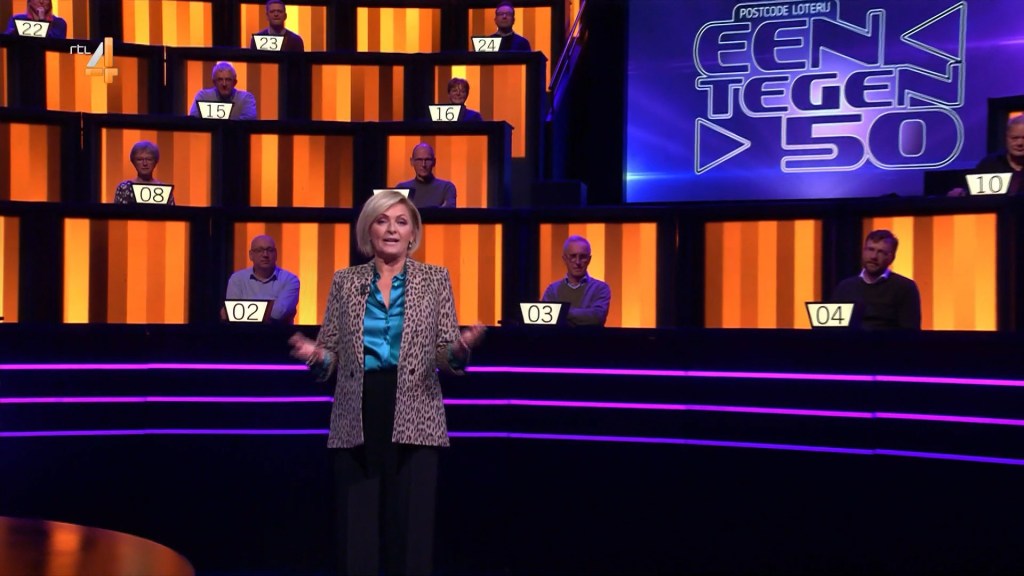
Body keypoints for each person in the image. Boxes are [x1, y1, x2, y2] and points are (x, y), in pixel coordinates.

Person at [287, 190, 485, 576]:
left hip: (417, 411)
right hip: (357, 413)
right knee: (357, 530)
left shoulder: (435, 279)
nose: (391, 229)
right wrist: (314, 354)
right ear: (369, 230)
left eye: (401, 222)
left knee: (411, 530)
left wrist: (460, 349)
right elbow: (331, 357)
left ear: (413, 233)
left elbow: (445, 355)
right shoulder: (345, 282)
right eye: (382, 221)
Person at [831, 229, 921, 330]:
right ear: (863, 251)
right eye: (870, 249)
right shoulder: (845, 287)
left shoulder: (905, 287)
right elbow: (833, 329)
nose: (873, 257)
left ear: (891, 257)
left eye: (881, 252)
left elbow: (910, 333)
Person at [224, 235, 300, 324]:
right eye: (259, 250)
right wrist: (271, 305)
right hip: (244, 332)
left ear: (276, 254)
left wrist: (243, 308)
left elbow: (278, 314)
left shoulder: (290, 280)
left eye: (270, 250)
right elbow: (232, 314)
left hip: (278, 332)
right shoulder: (237, 279)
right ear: (251, 255)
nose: (265, 255)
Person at [541, 235, 611, 327]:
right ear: (564, 259)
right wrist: (581, 317)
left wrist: (561, 312)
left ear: (589, 260)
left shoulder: (600, 288)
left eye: (582, 257)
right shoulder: (552, 290)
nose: (578, 262)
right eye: (573, 256)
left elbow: (597, 317)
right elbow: (544, 319)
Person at [949, 115, 1024, 196]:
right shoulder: (989, 165)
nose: (1019, 143)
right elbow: (974, 195)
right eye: (1014, 138)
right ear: (1006, 138)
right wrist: (962, 193)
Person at [395, 143, 457, 208]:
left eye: (427, 160)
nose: (423, 165)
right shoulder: (402, 188)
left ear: (434, 162)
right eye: (419, 160)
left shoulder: (446, 188)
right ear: (412, 162)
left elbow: (448, 213)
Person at [188, 62, 257, 120]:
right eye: (220, 80)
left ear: (234, 82)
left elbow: (249, 122)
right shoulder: (203, 96)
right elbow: (194, 120)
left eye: (228, 80)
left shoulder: (246, 98)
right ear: (214, 82)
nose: (224, 84)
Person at [113, 141, 175, 205]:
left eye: (149, 159)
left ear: (155, 162)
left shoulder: (165, 190)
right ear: (133, 162)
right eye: (139, 159)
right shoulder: (124, 188)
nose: (145, 163)